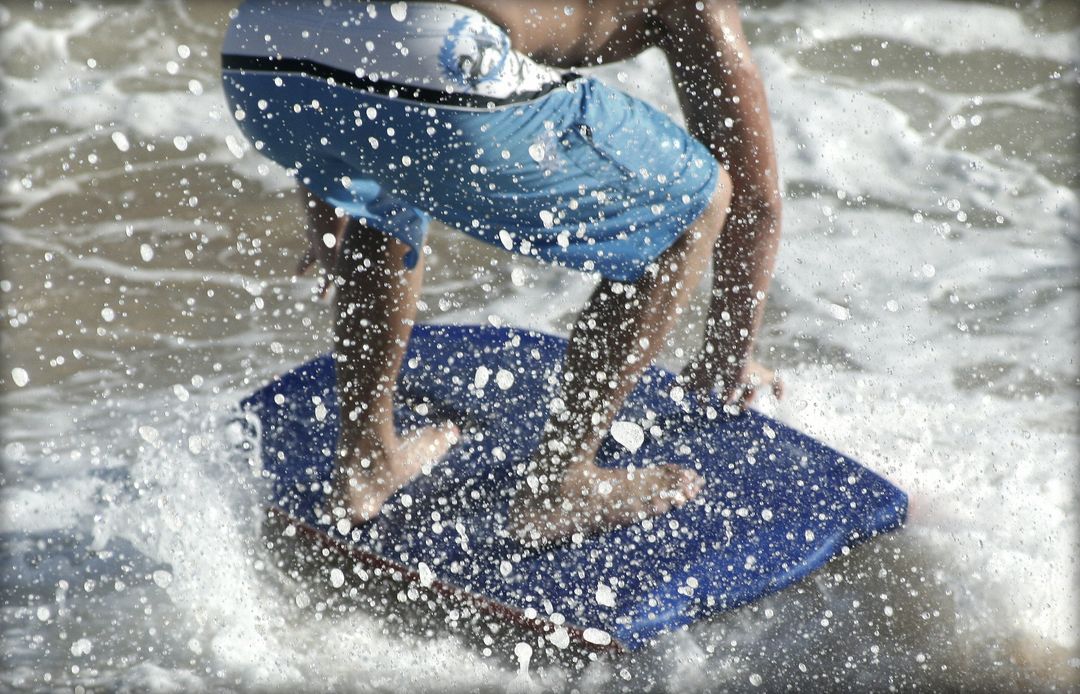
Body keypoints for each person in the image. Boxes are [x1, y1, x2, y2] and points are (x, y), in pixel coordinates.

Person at [222, 0, 782, 546]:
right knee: (694, 201)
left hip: (260, 55)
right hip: (429, 58)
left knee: (386, 173)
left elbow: (350, 42)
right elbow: (753, 198)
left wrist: (329, 216)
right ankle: (562, 484)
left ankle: (366, 464)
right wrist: (727, 359)